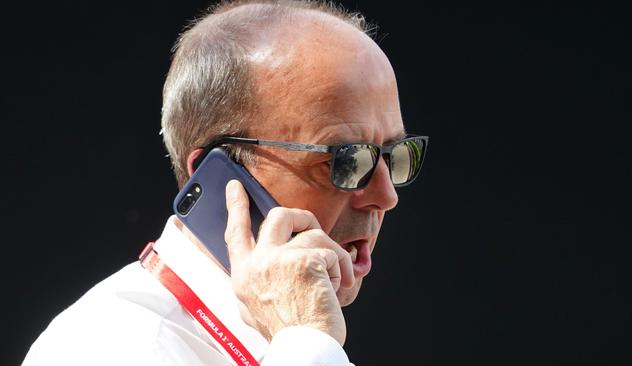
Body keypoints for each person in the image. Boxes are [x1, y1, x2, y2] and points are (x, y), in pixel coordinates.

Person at [22, 0, 428, 365]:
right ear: (220, 176)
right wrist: (308, 344)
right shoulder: (105, 347)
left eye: (395, 157)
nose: (385, 196)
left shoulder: (292, 335)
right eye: (345, 160)